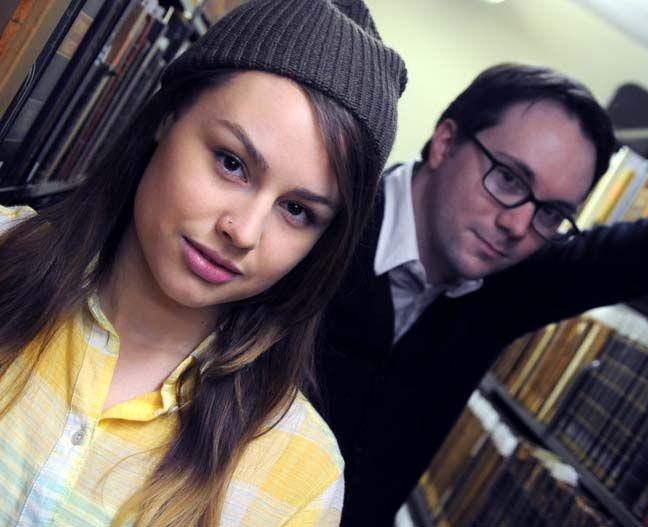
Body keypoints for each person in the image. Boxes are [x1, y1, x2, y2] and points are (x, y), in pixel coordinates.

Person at [0, 1, 406, 525]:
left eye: (297, 210)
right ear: (167, 116)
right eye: (232, 163)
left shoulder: (301, 473)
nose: (244, 231)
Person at [319, 63, 648, 525]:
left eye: (551, 212)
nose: (518, 226)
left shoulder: (515, 280)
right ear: (446, 143)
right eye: (508, 178)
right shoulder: (320, 224)